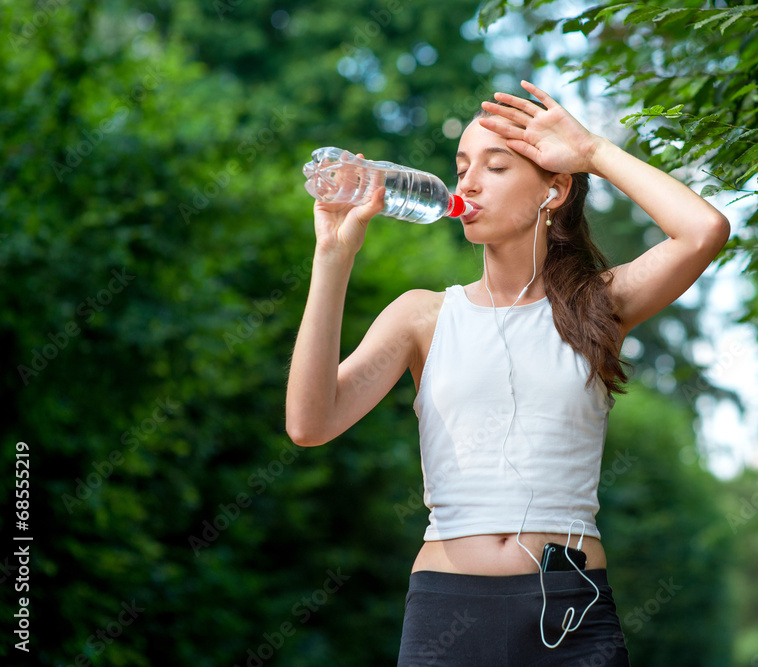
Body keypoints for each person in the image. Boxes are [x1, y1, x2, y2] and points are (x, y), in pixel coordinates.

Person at [285, 80, 730, 666]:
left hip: (569, 612)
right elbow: (309, 423)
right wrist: (332, 257)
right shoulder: (422, 315)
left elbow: (704, 230)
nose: (467, 183)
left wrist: (592, 150)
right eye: (462, 165)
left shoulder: (599, 304)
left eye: (495, 167)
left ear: (554, 188)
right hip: (447, 613)